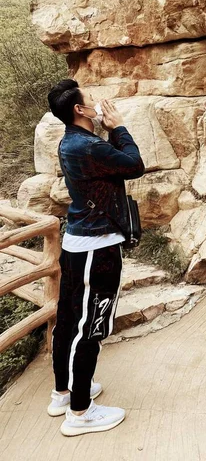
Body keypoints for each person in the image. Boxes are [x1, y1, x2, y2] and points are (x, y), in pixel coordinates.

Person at [46, 79, 145, 437]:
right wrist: (118, 127)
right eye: (92, 99)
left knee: (70, 321)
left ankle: (63, 393)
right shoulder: (88, 146)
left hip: (77, 245)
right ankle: (80, 412)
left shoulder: (71, 142)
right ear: (80, 110)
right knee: (91, 327)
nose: (100, 101)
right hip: (96, 249)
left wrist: (105, 131)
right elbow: (134, 165)